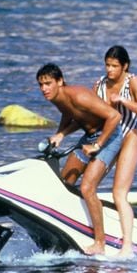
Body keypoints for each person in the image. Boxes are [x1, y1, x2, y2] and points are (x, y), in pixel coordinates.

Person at [36, 63, 122, 255]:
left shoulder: (79, 95)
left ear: (60, 81)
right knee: (65, 183)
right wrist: (60, 135)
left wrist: (97, 146)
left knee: (87, 188)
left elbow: (114, 116)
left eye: (48, 84)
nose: (44, 89)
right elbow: (71, 115)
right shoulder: (58, 98)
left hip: (110, 138)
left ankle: (100, 243)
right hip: (90, 137)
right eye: (41, 85)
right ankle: (70, 229)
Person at [94, 46, 137, 258]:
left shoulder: (132, 81)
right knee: (89, 185)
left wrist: (124, 100)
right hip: (109, 139)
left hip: (129, 138)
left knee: (118, 192)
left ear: (124, 66)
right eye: (107, 65)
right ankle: (95, 234)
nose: (110, 70)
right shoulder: (99, 85)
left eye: (114, 66)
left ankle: (127, 246)